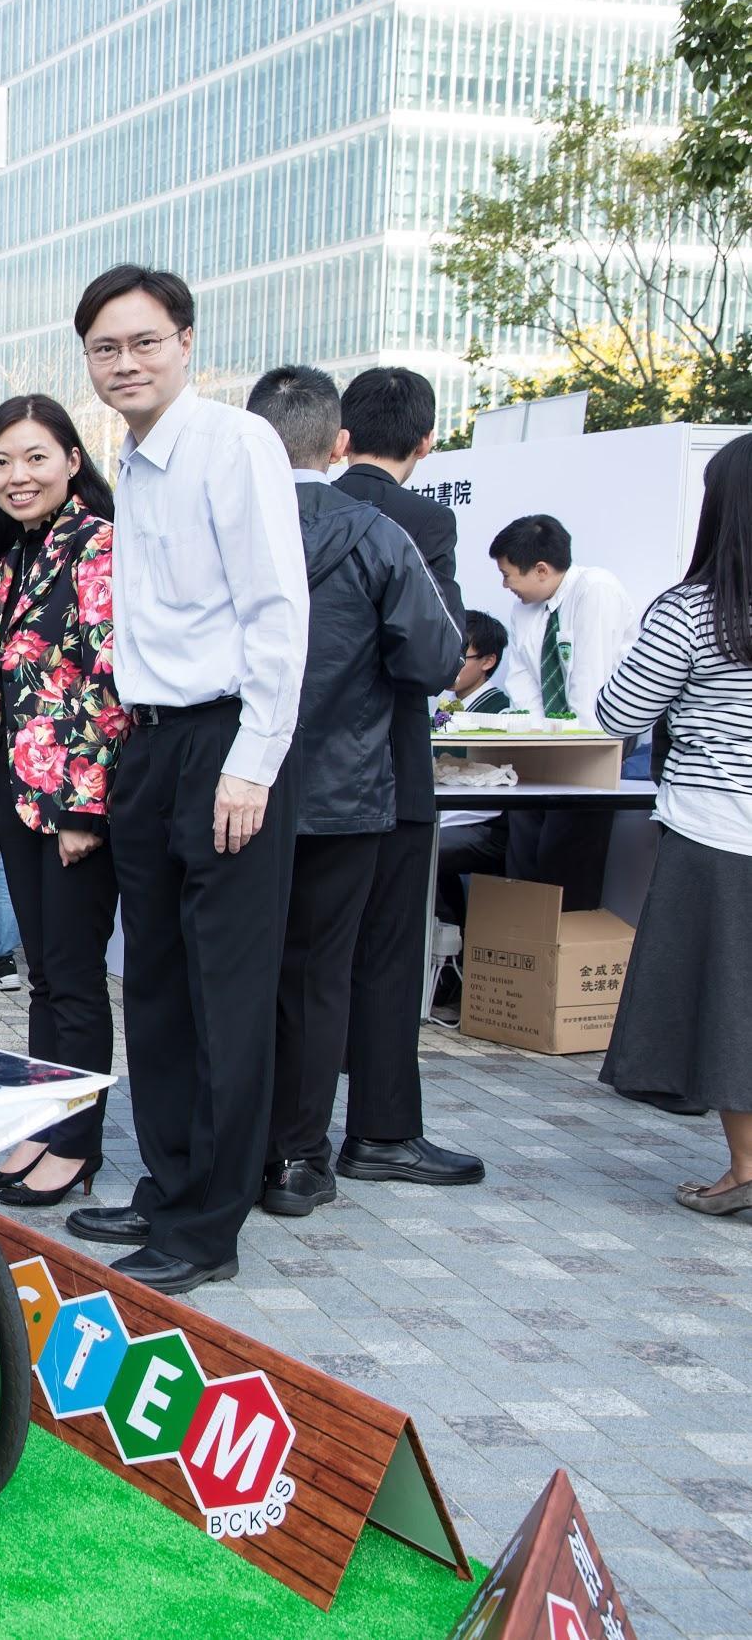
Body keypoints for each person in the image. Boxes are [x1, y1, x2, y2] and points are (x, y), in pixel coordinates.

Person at [61, 266, 309, 1296]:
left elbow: (277, 613)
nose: (125, 362)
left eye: (142, 342)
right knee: (153, 977)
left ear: (186, 343)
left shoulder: (231, 443)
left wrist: (252, 762)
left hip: (224, 746)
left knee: (225, 990)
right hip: (148, 743)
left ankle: (209, 1220)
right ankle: (168, 1183)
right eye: (105, 349)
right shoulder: (135, 458)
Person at [244, 367, 462, 1217]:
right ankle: (299, 1159)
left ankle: (229, 1147)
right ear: (338, 445)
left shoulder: (219, 526)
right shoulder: (378, 534)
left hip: (233, 786)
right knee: (320, 976)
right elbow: (433, 659)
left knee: (231, 975)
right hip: (346, 791)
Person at [0, 394, 124, 1207]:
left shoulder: (97, 544)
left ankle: (79, 1143)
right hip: (13, 788)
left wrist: (86, 807)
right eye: (1, 461)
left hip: (68, 799)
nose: (16, 475)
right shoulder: (16, 552)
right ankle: (43, 1122)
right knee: (42, 975)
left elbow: (109, 680)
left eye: (34, 457)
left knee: (72, 971)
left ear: (71, 457)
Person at [327, 367, 485, 1189]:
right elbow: (438, 651)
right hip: (389, 766)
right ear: (426, 444)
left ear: (341, 434)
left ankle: (293, 1134)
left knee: (305, 956)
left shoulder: (305, 505)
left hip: (290, 774)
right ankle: (382, 1133)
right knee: (387, 955)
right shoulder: (423, 520)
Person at [595, 433, 752, 1216]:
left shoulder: (695, 610)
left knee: (729, 1005)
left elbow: (618, 711)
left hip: (719, 832)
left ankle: (746, 1169)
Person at [492, 513, 636, 909]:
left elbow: (590, 685)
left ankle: (564, 945)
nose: (505, 585)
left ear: (540, 569)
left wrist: (570, 751)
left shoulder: (595, 590)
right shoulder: (524, 610)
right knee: (522, 841)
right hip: (545, 743)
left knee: (567, 852)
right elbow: (522, 685)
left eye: (508, 575)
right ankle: (521, 940)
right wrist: (537, 742)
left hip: (595, 741)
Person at [432, 610, 516, 950]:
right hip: (452, 818)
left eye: (460, 657)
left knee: (423, 849)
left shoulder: (500, 713)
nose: (450, 665)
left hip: (484, 825)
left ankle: (450, 949)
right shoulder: (448, 706)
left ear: (488, 661)